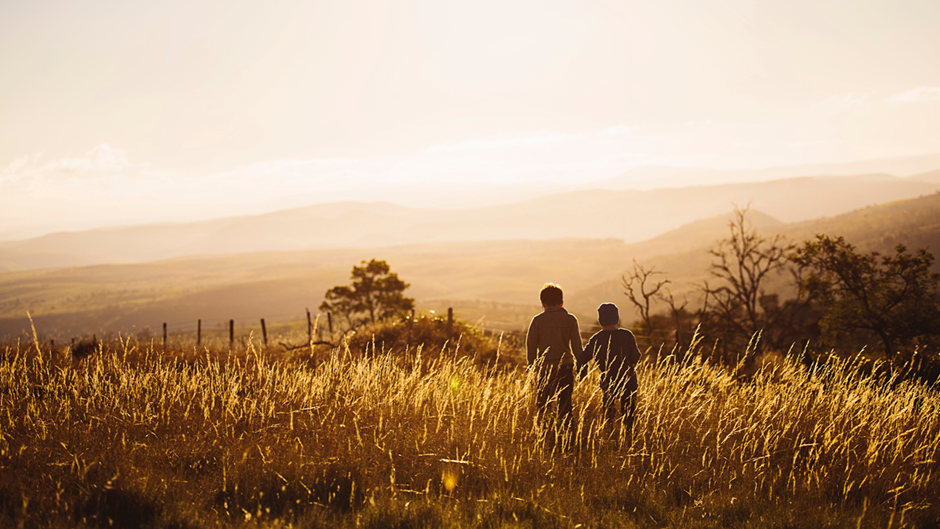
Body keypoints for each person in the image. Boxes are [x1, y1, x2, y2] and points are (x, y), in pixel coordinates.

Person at [526, 283, 584, 443]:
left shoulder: (537, 321)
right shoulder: (571, 320)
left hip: (545, 370)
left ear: (543, 303)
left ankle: (545, 440)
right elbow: (577, 347)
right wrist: (582, 366)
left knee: (543, 407)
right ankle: (568, 442)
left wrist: (532, 368)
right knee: (565, 407)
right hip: (565, 368)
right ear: (562, 302)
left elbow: (531, 347)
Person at [579, 302, 641, 436]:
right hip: (628, 378)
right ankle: (629, 437)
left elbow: (583, 358)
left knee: (608, 411)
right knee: (629, 412)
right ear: (617, 318)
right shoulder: (627, 335)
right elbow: (636, 357)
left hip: (608, 379)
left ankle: (609, 436)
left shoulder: (596, 339)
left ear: (601, 320)